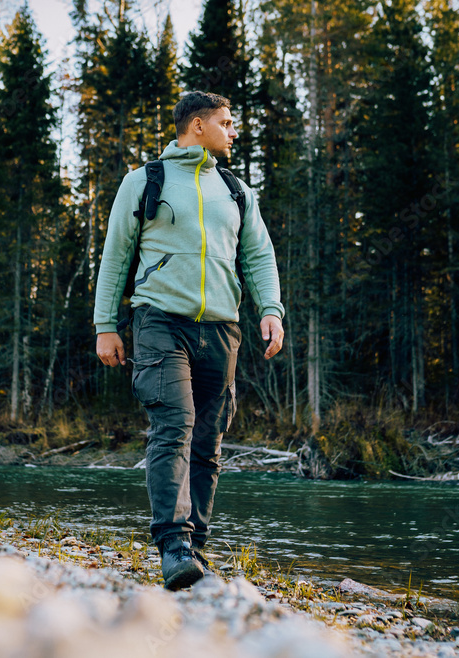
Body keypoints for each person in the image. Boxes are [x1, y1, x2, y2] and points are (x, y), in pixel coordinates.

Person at [93, 91, 285, 590]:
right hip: (160, 322)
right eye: (226, 122)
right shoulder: (144, 181)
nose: (232, 130)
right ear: (197, 126)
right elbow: (117, 255)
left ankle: (195, 546)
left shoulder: (237, 190)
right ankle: (173, 544)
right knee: (174, 424)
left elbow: (258, 256)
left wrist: (270, 310)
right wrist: (105, 325)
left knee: (208, 438)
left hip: (222, 328)